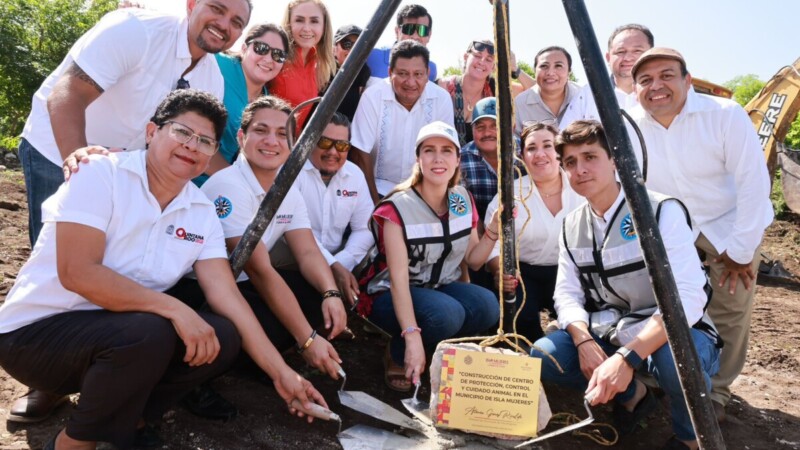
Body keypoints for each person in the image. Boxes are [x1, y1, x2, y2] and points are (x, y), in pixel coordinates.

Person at [0, 90, 327, 450]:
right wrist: (174, 308)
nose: (192, 146)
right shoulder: (100, 173)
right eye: (182, 132)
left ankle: (130, 420)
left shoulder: (200, 212)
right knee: (150, 330)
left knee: (223, 335)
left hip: (117, 340)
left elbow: (227, 295)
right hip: (35, 339)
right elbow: (78, 273)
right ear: (152, 131)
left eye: (204, 141)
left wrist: (283, 374)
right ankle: (74, 442)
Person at [13, 0, 253, 423]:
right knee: (60, 262)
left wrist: (247, 188)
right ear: (192, 5)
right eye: (217, 9)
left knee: (113, 270)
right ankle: (46, 382)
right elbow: (66, 93)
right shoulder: (136, 29)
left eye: (237, 22)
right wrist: (81, 173)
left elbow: (197, 145)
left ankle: (100, 367)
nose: (224, 25)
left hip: (130, 170)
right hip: (63, 147)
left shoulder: (211, 76)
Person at [529, 120, 721, 450]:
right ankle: (634, 395)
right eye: (571, 162)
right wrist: (582, 338)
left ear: (615, 160)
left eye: (590, 157)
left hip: (677, 332)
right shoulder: (571, 225)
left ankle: (690, 437)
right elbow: (566, 293)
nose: (580, 170)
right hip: (613, 331)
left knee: (675, 356)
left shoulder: (660, 210)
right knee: (547, 355)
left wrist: (626, 359)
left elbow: (689, 297)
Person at [630, 47, 773, 422]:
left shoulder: (724, 115)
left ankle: (717, 395)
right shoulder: (630, 126)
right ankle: (669, 378)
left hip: (728, 225)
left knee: (728, 308)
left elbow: (754, 184)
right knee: (669, 305)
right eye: (645, 80)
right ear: (635, 89)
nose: (656, 86)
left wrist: (742, 250)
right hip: (670, 230)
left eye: (666, 76)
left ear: (687, 81)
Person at [201, 95, 348, 373]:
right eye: (260, 130)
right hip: (202, 292)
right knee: (248, 327)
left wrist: (331, 293)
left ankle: (258, 359)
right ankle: (226, 370)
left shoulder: (287, 189)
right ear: (242, 138)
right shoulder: (229, 186)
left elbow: (306, 251)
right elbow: (258, 270)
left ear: (293, 143)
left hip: (242, 284)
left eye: (282, 134)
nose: (272, 141)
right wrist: (307, 340)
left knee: (317, 296)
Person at [357, 121, 499, 392]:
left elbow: (474, 260)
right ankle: (399, 350)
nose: (438, 158)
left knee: (487, 305)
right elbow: (398, 280)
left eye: (446, 151)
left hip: (437, 287)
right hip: (388, 294)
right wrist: (411, 336)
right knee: (446, 314)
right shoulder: (398, 206)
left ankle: (433, 349)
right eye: (429, 151)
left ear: (458, 159)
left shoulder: (461, 199)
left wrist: (493, 229)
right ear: (418, 159)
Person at [473, 122, 584, 342]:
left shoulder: (581, 187)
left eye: (548, 146)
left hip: (571, 271)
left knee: (584, 316)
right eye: (532, 148)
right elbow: (494, 245)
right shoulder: (509, 194)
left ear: (559, 152)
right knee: (520, 327)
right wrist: (500, 272)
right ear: (522, 156)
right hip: (523, 274)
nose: (540, 154)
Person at [350, 40, 454, 203]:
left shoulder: (442, 99)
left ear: (427, 73)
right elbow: (360, 153)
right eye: (403, 73)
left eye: (418, 74)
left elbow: (446, 151)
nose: (411, 82)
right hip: (377, 189)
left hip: (424, 191)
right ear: (390, 72)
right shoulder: (372, 96)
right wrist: (375, 206)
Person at [194, 22, 289, 186]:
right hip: (188, 177)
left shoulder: (266, 102)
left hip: (223, 191)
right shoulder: (217, 65)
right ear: (244, 48)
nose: (268, 59)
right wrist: (240, 183)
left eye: (278, 55)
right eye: (261, 48)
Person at [294, 112, 374, 304]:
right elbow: (294, 235)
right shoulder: (291, 172)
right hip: (295, 258)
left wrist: (342, 262)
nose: (333, 151)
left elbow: (366, 228)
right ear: (310, 140)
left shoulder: (354, 174)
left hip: (341, 257)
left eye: (341, 145)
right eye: (324, 142)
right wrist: (333, 265)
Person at [438, 40, 535, 146]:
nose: (482, 62)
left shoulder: (497, 88)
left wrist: (514, 68)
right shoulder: (445, 86)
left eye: (489, 59)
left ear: (493, 67)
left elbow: (535, 91)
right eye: (477, 56)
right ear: (466, 57)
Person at [560, 24, 654, 128]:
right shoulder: (588, 95)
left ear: (651, 54)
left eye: (637, 51)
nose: (628, 58)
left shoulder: (664, 93)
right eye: (620, 51)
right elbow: (564, 138)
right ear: (608, 58)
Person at [269, 0, 336, 129]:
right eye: (299, 20)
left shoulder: (319, 66)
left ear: (324, 27)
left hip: (292, 145)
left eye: (314, 21)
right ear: (289, 24)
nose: (306, 28)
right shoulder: (276, 57)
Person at [365, 4, 438, 87]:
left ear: (429, 35)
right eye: (408, 29)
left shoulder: (431, 69)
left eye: (422, 30)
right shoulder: (371, 57)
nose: (415, 36)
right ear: (397, 32)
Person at [514, 46, 580, 132]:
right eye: (544, 66)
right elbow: (515, 142)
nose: (550, 73)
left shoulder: (583, 97)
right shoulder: (520, 103)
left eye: (558, 66)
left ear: (569, 72)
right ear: (535, 70)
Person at [330, 24, 371, 122]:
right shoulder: (322, 72)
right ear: (334, 49)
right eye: (347, 44)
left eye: (358, 46)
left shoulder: (364, 74)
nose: (352, 50)